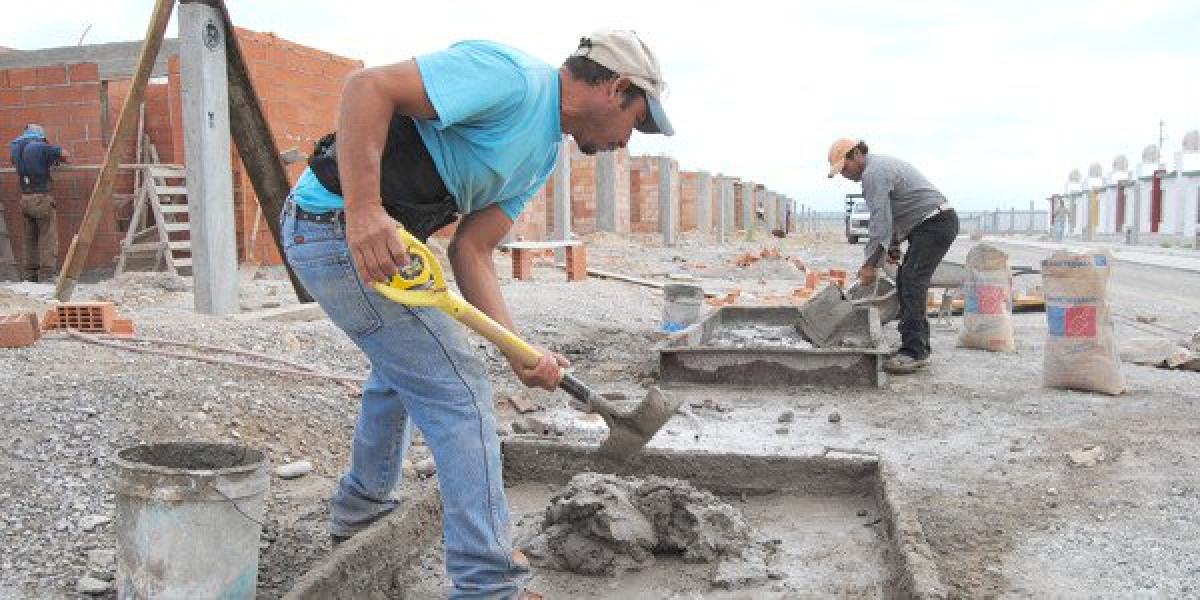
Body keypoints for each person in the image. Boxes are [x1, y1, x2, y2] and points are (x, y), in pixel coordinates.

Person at [280, 30, 673, 598]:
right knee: (460, 388)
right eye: (635, 124)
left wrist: (518, 350)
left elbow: (472, 250)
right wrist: (364, 211)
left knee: (403, 372)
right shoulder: (511, 80)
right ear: (617, 89)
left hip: (380, 246)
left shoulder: (540, 156)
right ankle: (488, 585)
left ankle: (361, 512)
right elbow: (366, 88)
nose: (625, 144)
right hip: (334, 227)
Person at [827, 138, 958, 374]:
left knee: (912, 281)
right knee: (905, 280)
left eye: (845, 168)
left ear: (856, 154)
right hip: (925, 226)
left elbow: (879, 223)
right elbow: (892, 214)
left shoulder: (873, 173)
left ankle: (915, 352)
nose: (844, 175)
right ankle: (913, 344)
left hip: (935, 223)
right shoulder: (877, 170)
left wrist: (869, 265)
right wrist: (893, 247)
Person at [9, 124, 68, 282]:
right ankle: (47, 274)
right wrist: (56, 160)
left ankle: (30, 274)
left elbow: (17, 162)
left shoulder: (16, 148)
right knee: (47, 236)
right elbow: (64, 154)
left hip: (25, 198)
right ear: (40, 135)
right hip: (41, 197)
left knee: (30, 237)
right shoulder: (42, 146)